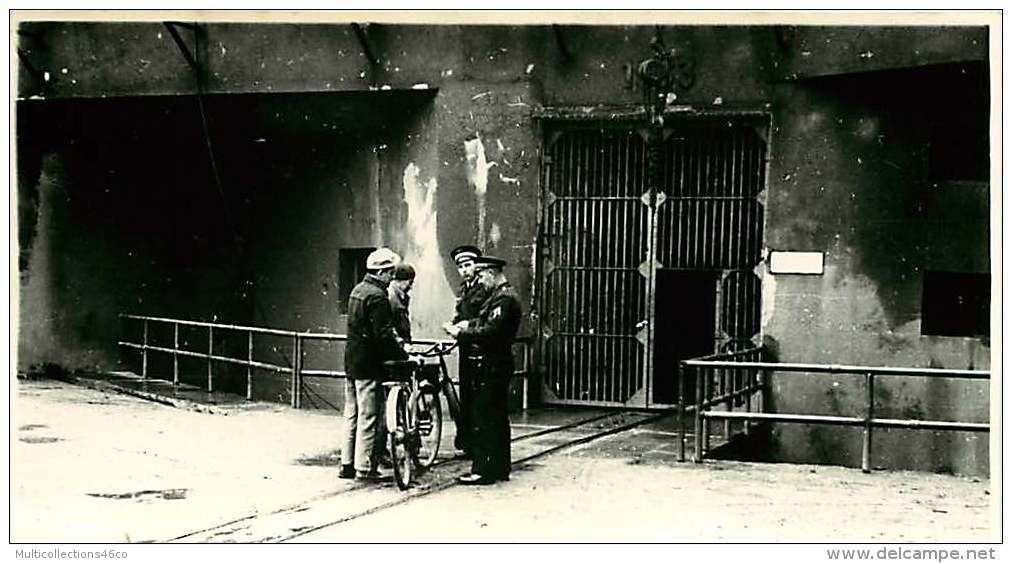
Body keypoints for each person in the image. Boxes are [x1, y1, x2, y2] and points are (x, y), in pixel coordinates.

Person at [443, 255, 521, 485]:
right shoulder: (501, 297)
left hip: (494, 362)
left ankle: (483, 470)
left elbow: (491, 333)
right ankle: (498, 467)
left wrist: (462, 333)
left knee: (484, 415)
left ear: (491, 273)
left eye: (481, 275)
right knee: (496, 416)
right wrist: (470, 325)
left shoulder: (503, 300)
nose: (480, 280)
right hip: (497, 362)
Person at [339, 247, 408, 481]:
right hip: (368, 365)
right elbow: (383, 334)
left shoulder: (357, 290)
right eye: (390, 273)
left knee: (352, 414)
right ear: (381, 272)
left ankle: (346, 463)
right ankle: (364, 468)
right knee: (369, 416)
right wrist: (403, 352)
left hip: (352, 362)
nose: (391, 278)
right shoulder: (378, 296)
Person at [448, 245, 492, 454]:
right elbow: (460, 313)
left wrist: (467, 325)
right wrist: (454, 324)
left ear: (477, 266)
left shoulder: (483, 288)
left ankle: (476, 441)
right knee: (466, 392)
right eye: (461, 267)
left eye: (468, 265)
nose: (465, 270)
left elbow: (485, 317)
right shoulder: (463, 289)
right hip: (466, 346)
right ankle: (467, 440)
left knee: (477, 394)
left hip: (480, 345)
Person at [388, 263, 415, 343]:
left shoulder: (399, 297)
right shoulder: (392, 299)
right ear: (399, 281)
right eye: (410, 282)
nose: (411, 286)